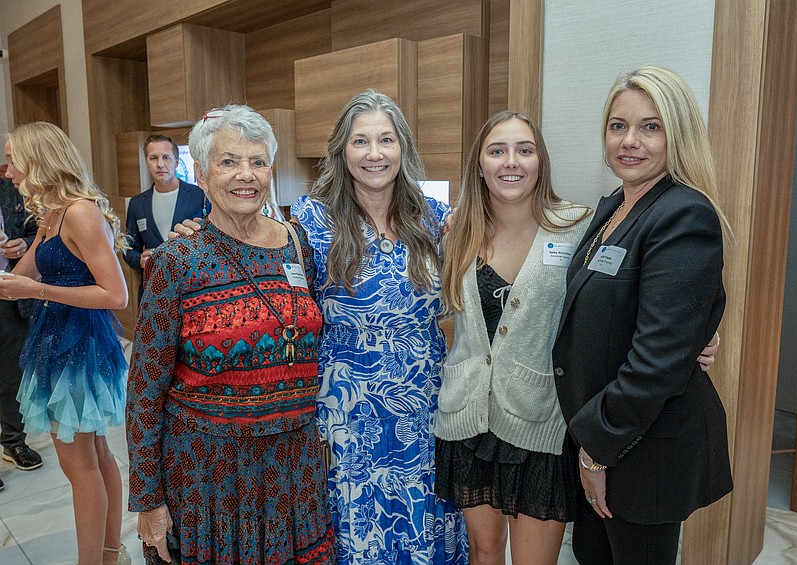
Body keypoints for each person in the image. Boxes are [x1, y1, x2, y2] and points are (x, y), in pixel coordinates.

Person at [126, 104, 335, 565]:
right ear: (200, 173)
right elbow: (144, 388)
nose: (247, 175)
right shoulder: (177, 261)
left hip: (291, 469)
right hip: (207, 476)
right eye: (229, 161)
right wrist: (147, 499)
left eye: (258, 162)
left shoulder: (298, 244)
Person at [551, 66, 733, 565]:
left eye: (650, 127)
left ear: (677, 135)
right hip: (602, 433)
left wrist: (596, 450)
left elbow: (655, 362)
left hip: (640, 449)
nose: (630, 141)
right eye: (618, 126)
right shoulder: (615, 206)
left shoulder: (682, 213)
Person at [290, 89, 468, 564]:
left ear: (402, 148)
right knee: (360, 531)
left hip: (425, 403)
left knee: (424, 521)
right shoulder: (311, 220)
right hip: (350, 413)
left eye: (385, 140)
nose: (374, 154)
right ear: (341, 151)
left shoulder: (432, 217)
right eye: (360, 141)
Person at [435, 111, 591, 564]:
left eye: (525, 150)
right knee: (484, 552)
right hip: (467, 418)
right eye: (497, 151)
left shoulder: (577, 227)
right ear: (479, 165)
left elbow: (615, 303)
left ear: (540, 161)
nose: (512, 162)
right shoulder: (457, 232)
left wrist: (693, 334)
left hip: (539, 421)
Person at [0, 122, 131, 564]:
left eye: (13, 160)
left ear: (38, 159)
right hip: (55, 340)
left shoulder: (80, 212)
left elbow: (116, 295)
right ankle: (111, 554)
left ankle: (94, 560)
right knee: (94, 454)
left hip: (79, 344)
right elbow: (20, 278)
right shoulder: (50, 213)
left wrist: (37, 292)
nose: (8, 171)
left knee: (81, 467)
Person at [124, 134, 205, 304]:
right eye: (153, 158)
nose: (160, 164)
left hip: (193, 287)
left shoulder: (199, 195)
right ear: (146, 161)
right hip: (152, 291)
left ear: (176, 160)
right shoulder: (137, 203)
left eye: (166, 157)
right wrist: (139, 260)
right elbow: (128, 248)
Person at [0, 172, 43, 491]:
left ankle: (14, 441)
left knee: (12, 371)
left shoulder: (11, 190)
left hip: (9, 293)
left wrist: (23, 244)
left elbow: (35, 230)